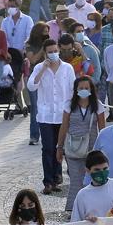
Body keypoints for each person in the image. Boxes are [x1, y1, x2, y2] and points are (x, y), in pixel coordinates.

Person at [28, 37, 75, 194]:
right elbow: (32, 86)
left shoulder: (67, 68)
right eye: (50, 52)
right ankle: (48, 181)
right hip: (46, 115)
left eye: (55, 51)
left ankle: (56, 178)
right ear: (45, 53)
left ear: (59, 50)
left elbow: (72, 90)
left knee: (59, 147)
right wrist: (42, 69)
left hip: (63, 115)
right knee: (47, 148)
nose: (54, 54)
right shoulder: (39, 67)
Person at [57, 75, 105, 214]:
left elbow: (102, 129)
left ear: (91, 90)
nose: (84, 90)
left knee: (90, 179)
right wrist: (59, 147)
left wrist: (102, 150)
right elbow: (64, 126)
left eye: (86, 88)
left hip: (91, 149)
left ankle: (90, 207)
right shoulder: (68, 105)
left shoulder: (98, 105)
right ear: (76, 90)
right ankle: (72, 209)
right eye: (81, 88)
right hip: (72, 148)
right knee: (76, 179)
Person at [71, 151, 113, 221]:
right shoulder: (83, 195)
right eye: (97, 170)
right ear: (88, 170)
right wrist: (87, 221)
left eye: (105, 169)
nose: (102, 172)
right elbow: (75, 222)